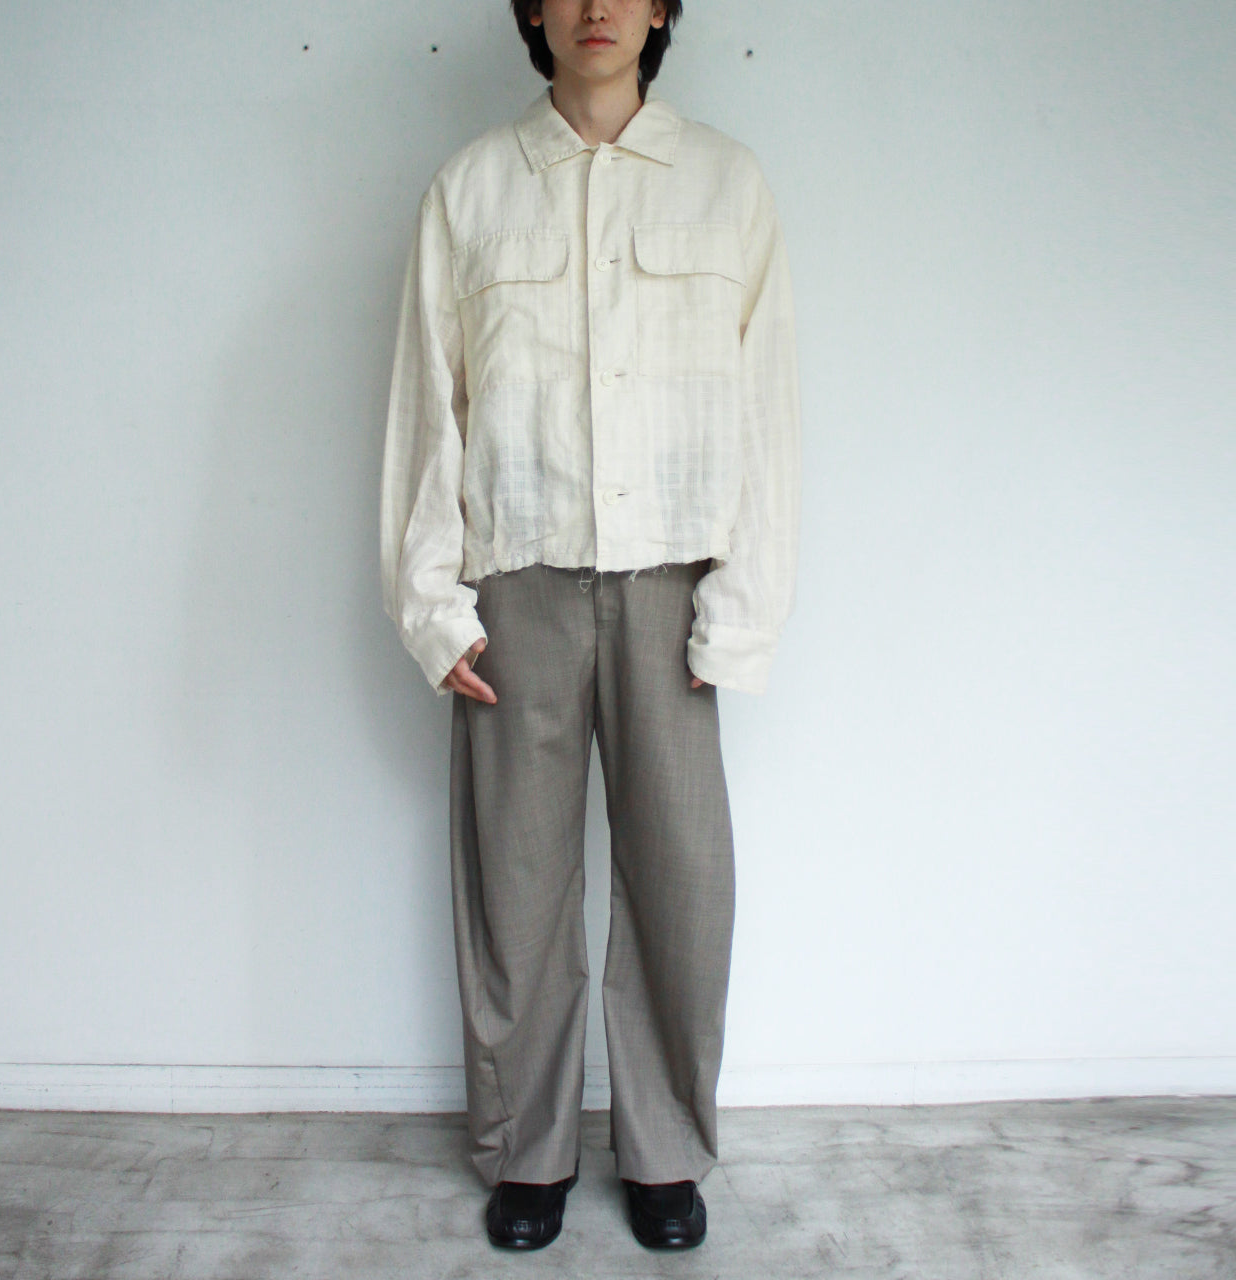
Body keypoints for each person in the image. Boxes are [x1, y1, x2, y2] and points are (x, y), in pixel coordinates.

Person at [379, 0, 801, 1252]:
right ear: (532, 11)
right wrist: (431, 605)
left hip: (672, 582)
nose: (596, 7)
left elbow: (764, 406)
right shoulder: (470, 188)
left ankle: (664, 1149)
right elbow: (427, 402)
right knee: (514, 886)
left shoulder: (724, 182)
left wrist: (741, 608)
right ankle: (529, 1148)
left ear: (661, 8)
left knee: (682, 884)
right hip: (515, 579)